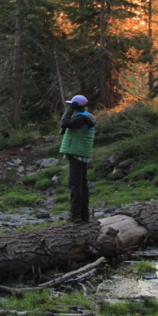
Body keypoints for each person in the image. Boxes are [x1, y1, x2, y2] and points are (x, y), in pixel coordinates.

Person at [59, 94, 96, 223]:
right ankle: (84, 215)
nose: (71, 107)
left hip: (77, 153)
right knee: (82, 185)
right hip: (82, 153)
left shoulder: (80, 119)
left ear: (76, 106)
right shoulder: (87, 116)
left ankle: (75, 216)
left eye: (72, 105)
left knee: (75, 185)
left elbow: (65, 122)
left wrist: (69, 109)